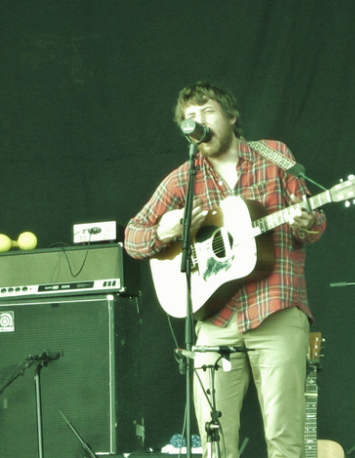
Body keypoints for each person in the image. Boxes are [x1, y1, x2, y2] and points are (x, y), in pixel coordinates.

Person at [124, 82, 326, 458]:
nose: (198, 121)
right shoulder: (184, 178)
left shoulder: (274, 155)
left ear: (231, 116)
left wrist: (306, 221)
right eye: (189, 117)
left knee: (285, 439)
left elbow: (313, 226)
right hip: (216, 319)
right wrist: (164, 232)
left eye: (207, 111)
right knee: (214, 444)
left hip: (275, 308)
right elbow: (133, 238)